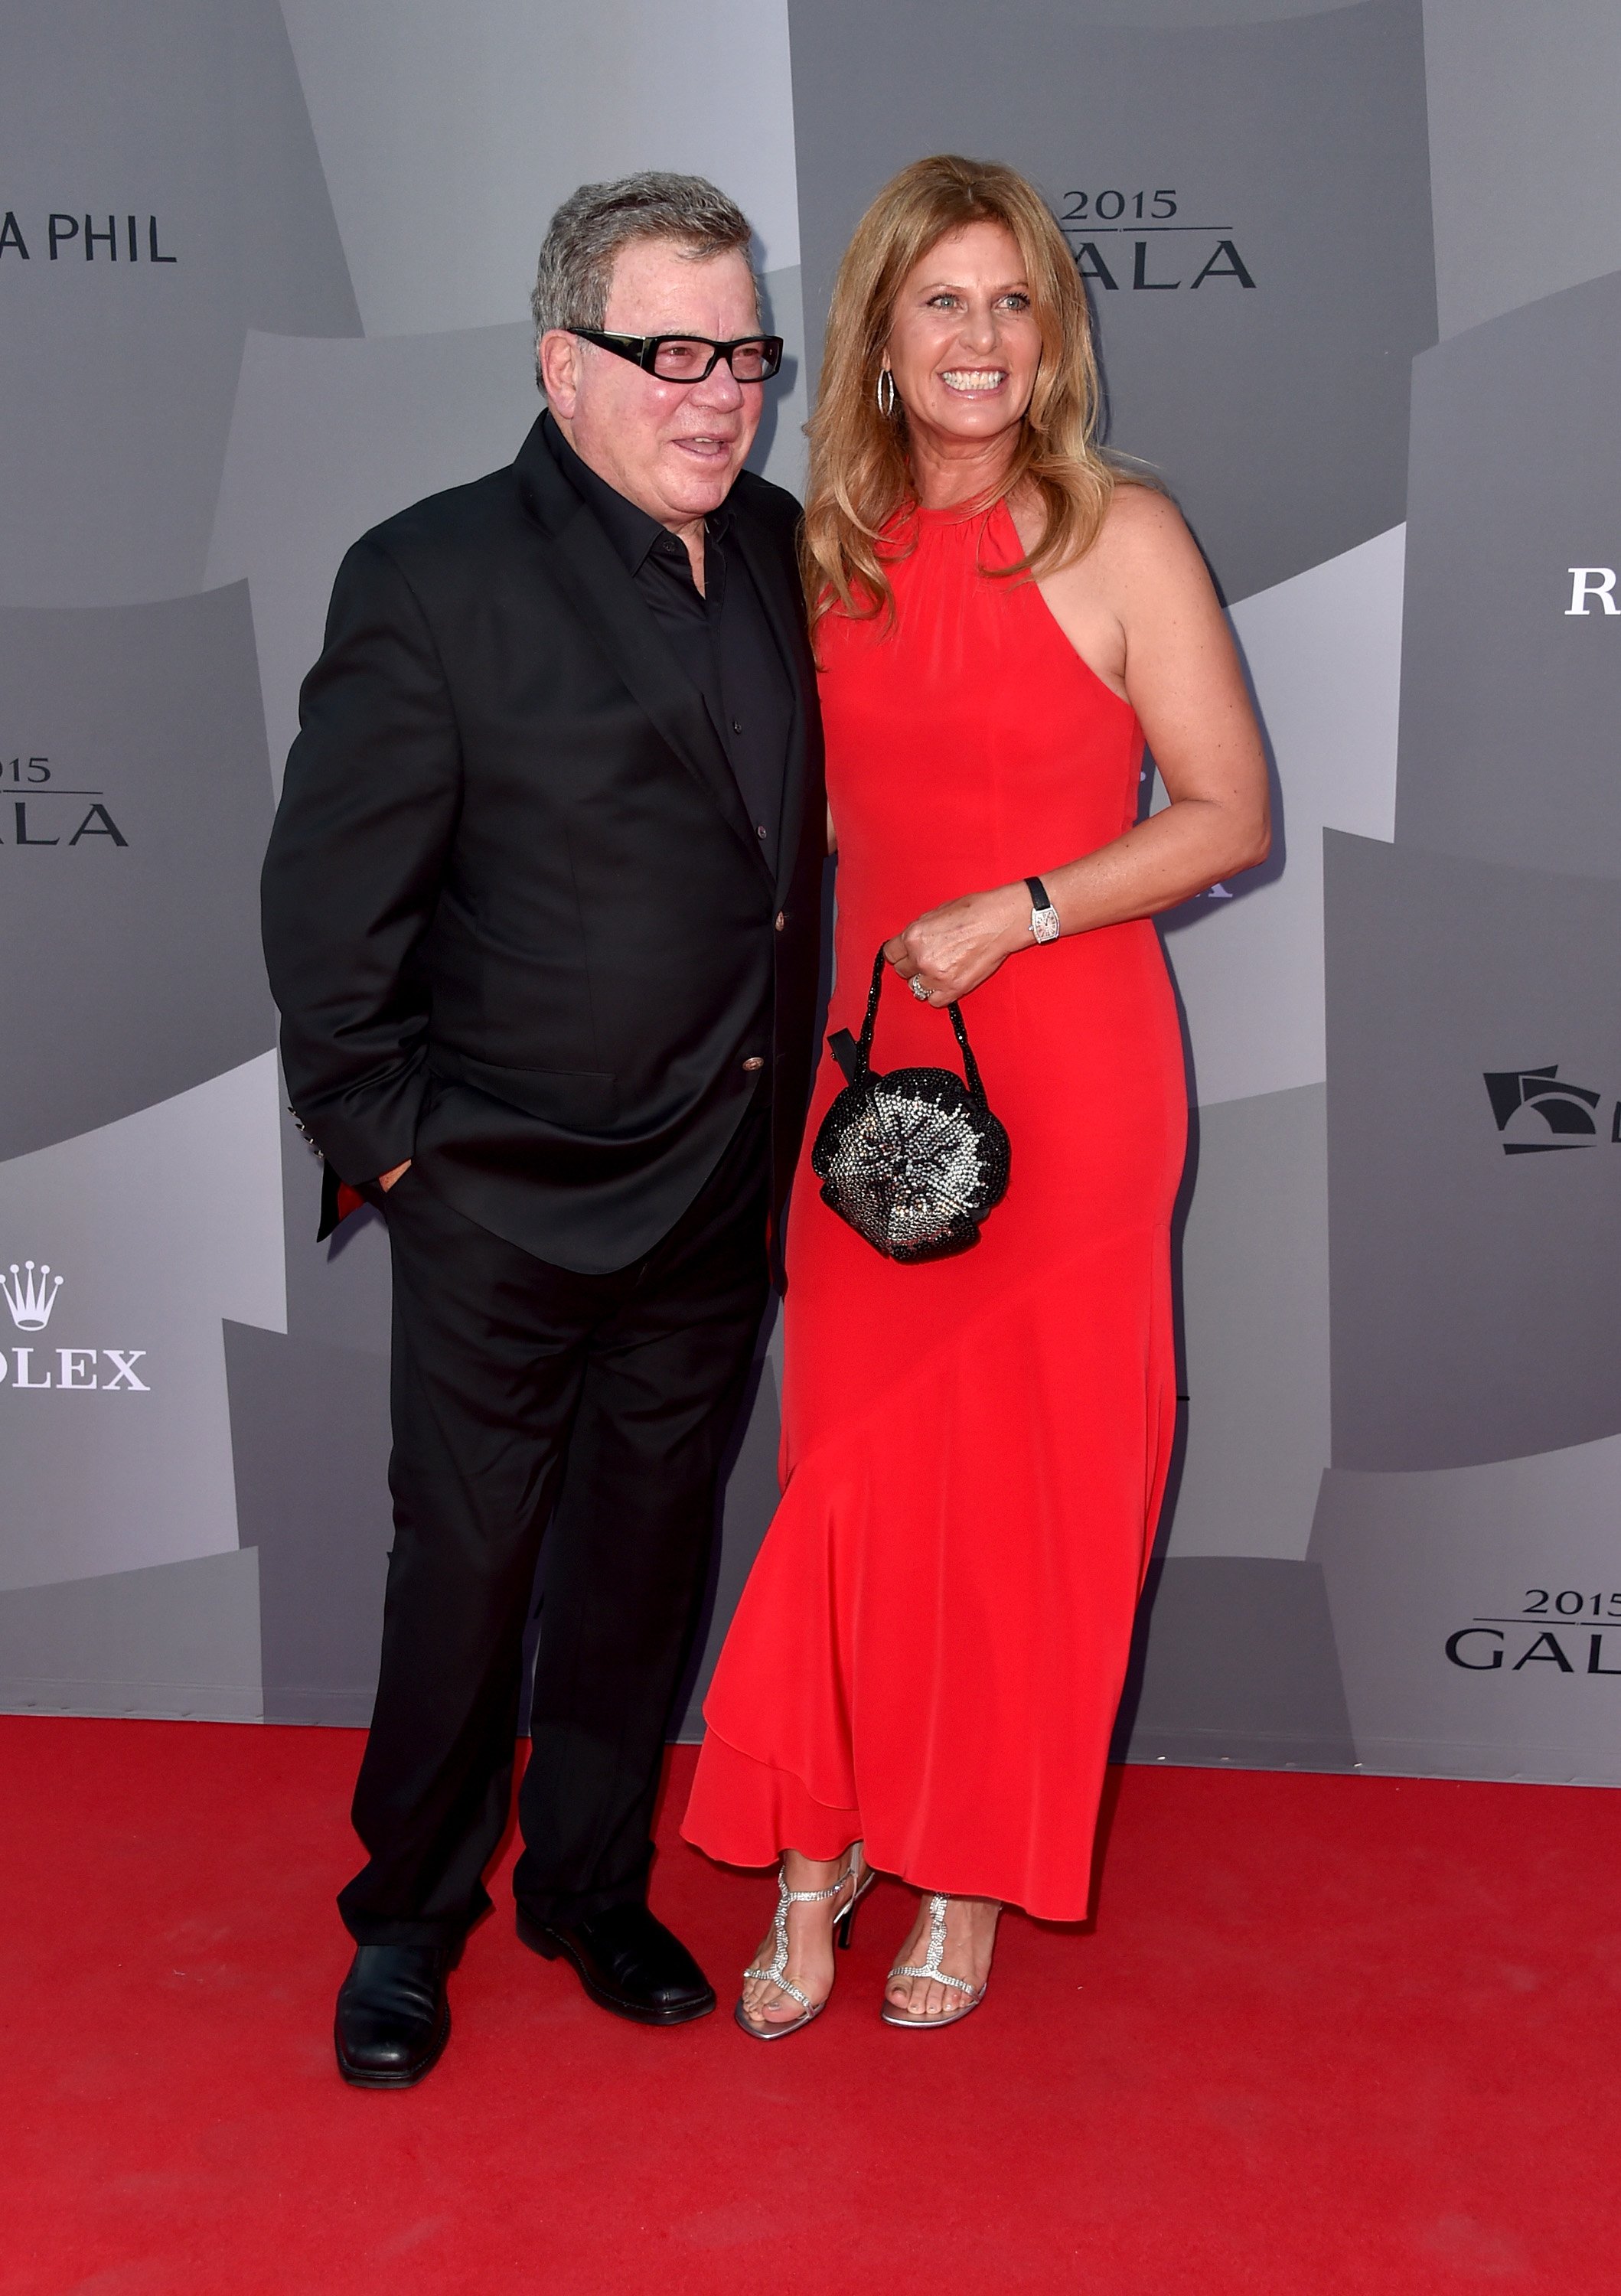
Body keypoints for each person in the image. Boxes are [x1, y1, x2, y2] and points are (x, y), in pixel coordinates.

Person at [681, 154, 1270, 2033]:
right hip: (876, 1083)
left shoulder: (1124, 534)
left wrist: (1024, 906)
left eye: (1014, 303)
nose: (983, 339)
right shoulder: (814, 555)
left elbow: (1225, 815)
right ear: (875, 333)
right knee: (851, 1472)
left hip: (1073, 1064)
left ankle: (964, 1868)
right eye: (945, 300)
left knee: (1029, 1494)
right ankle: (817, 1846)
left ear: (1054, 336)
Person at [261, 172, 824, 2086]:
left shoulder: (778, 550)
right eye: (668, 352)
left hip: (717, 1196)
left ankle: (585, 1885)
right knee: (469, 1575)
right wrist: (410, 1157)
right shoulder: (427, 577)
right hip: (500, 1198)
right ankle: (404, 1922)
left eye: (743, 350)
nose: (715, 392)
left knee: (642, 1570)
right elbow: (333, 927)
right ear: (558, 361)